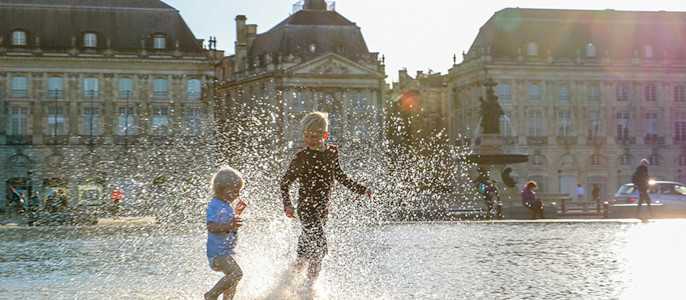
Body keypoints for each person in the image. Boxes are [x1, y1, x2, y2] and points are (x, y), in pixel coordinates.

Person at [280, 111, 372, 295]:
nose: (309, 140)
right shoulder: (301, 157)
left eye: (314, 136)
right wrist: (287, 204)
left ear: (324, 135)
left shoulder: (332, 152)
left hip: (322, 211)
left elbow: (340, 176)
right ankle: (308, 290)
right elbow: (285, 182)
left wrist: (361, 189)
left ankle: (285, 286)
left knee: (305, 253)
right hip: (306, 210)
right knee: (319, 250)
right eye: (306, 136)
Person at [204, 166, 245, 300]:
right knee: (236, 273)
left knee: (233, 280)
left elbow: (228, 223)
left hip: (225, 251)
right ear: (221, 190)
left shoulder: (225, 205)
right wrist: (230, 225)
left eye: (239, 192)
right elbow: (211, 226)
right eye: (234, 192)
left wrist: (236, 213)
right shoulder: (215, 205)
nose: (237, 195)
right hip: (218, 253)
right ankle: (212, 294)